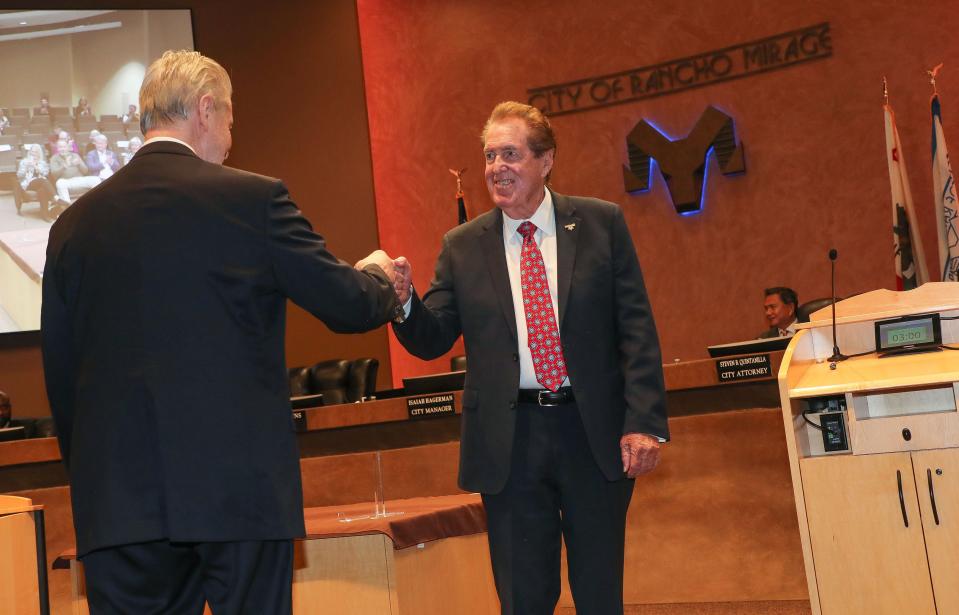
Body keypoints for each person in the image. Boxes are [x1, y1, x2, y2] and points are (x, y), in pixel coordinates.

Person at [41, 49, 402, 614]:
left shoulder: (71, 227)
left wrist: (96, 476)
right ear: (205, 110)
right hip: (240, 496)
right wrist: (382, 279)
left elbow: (61, 376)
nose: (231, 140)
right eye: (231, 121)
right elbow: (346, 305)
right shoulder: (252, 200)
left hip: (118, 508)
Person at [392, 101, 668, 615]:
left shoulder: (600, 223)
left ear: (546, 160)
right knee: (523, 597)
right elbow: (432, 339)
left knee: (599, 591)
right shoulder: (462, 246)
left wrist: (645, 422)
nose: (497, 167)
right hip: (509, 442)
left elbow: (636, 329)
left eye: (511, 154)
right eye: (490, 155)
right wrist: (404, 301)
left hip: (592, 433)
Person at [50, 139, 99, 206]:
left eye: (64, 147)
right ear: (57, 148)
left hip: (79, 179)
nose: (62, 149)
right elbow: (54, 174)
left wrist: (79, 164)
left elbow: (85, 171)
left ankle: (96, 203)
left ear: (68, 147)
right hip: (66, 181)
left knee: (96, 179)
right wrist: (64, 166)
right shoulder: (54, 158)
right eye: (60, 147)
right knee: (59, 183)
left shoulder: (75, 155)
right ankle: (67, 206)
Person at [16, 144, 56, 216]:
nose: (34, 153)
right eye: (32, 151)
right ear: (29, 152)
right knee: (42, 180)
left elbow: (46, 174)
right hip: (28, 184)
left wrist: (37, 168)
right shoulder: (24, 162)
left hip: (41, 185)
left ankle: (45, 215)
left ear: (39, 153)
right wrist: (26, 167)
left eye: (36, 152)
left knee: (42, 190)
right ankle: (55, 197)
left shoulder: (43, 163)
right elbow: (19, 175)